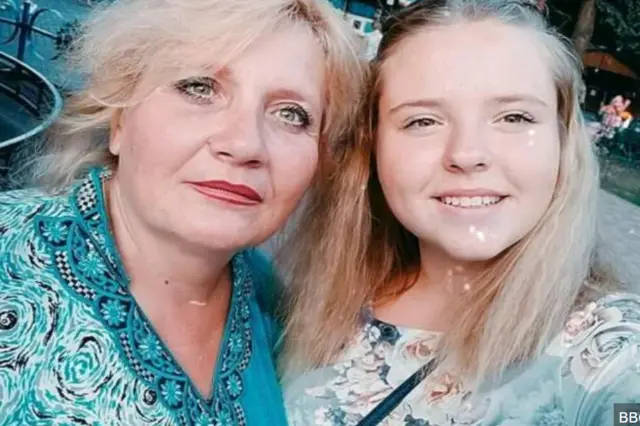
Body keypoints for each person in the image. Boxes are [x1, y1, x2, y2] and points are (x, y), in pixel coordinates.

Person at [0, 0, 365, 423]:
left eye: (291, 114)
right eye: (199, 87)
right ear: (119, 118)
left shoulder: (273, 305)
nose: (246, 143)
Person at [281, 1, 640, 425]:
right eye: (423, 121)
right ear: (372, 142)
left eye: (514, 116)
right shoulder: (311, 300)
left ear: (563, 142)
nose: (467, 154)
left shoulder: (610, 351)